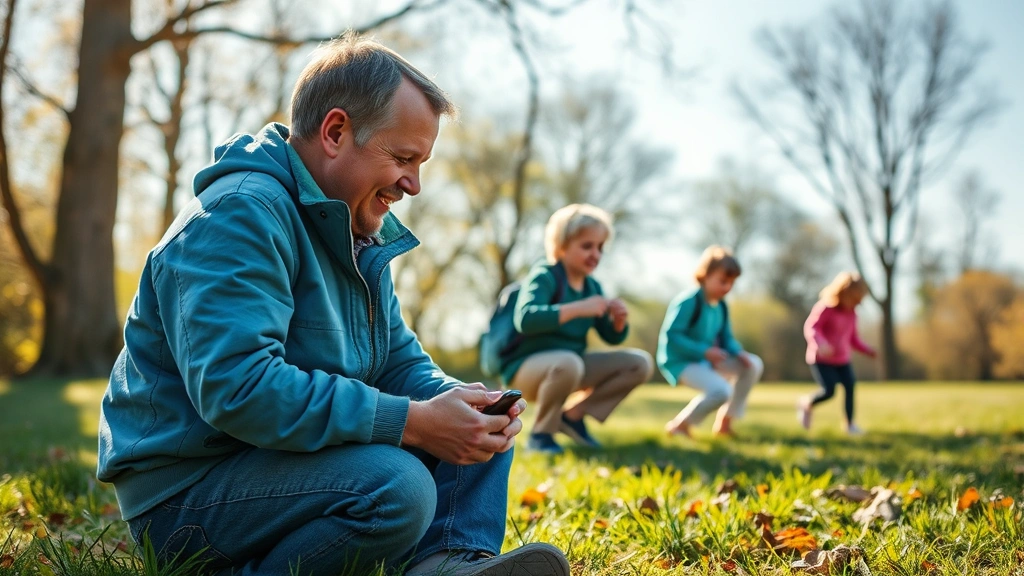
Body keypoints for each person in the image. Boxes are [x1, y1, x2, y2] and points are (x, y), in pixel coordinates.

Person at [96, 35, 569, 576]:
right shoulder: (239, 214)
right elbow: (238, 388)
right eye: (403, 158)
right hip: (188, 493)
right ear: (336, 132)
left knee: (477, 427)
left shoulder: (353, 230)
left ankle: (447, 564)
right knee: (397, 487)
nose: (414, 184)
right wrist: (411, 422)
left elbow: (395, 361)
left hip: (281, 464)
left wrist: (456, 404)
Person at [500, 204, 653, 455]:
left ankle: (572, 415)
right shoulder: (545, 276)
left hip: (571, 367)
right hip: (526, 370)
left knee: (639, 364)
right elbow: (526, 319)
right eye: (587, 246)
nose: (596, 254)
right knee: (569, 362)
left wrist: (618, 322)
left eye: (600, 247)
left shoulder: (592, 287)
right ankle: (541, 435)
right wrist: (578, 308)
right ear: (561, 246)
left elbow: (611, 336)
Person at [657, 245, 764, 438]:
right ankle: (680, 425)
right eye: (723, 281)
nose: (727, 287)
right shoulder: (689, 301)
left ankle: (725, 422)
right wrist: (704, 352)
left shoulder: (721, 306)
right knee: (721, 391)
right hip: (680, 363)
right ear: (705, 275)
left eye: (731, 283)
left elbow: (726, 338)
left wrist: (738, 352)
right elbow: (672, 336)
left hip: (708, 360)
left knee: (753, 364)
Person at [798, 272, 877, 434]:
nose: (856, 304)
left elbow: (853, 339)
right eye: (854, 300)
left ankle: (849, 425)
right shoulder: (826, 307)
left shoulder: (852, 314)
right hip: (821, 358)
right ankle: (807, 403)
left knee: (850, 386)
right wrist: (821, 343)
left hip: (842, 359)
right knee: (829, 391)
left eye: (859, 301)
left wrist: (867, 350)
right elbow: (812, 327)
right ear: (843, 292)